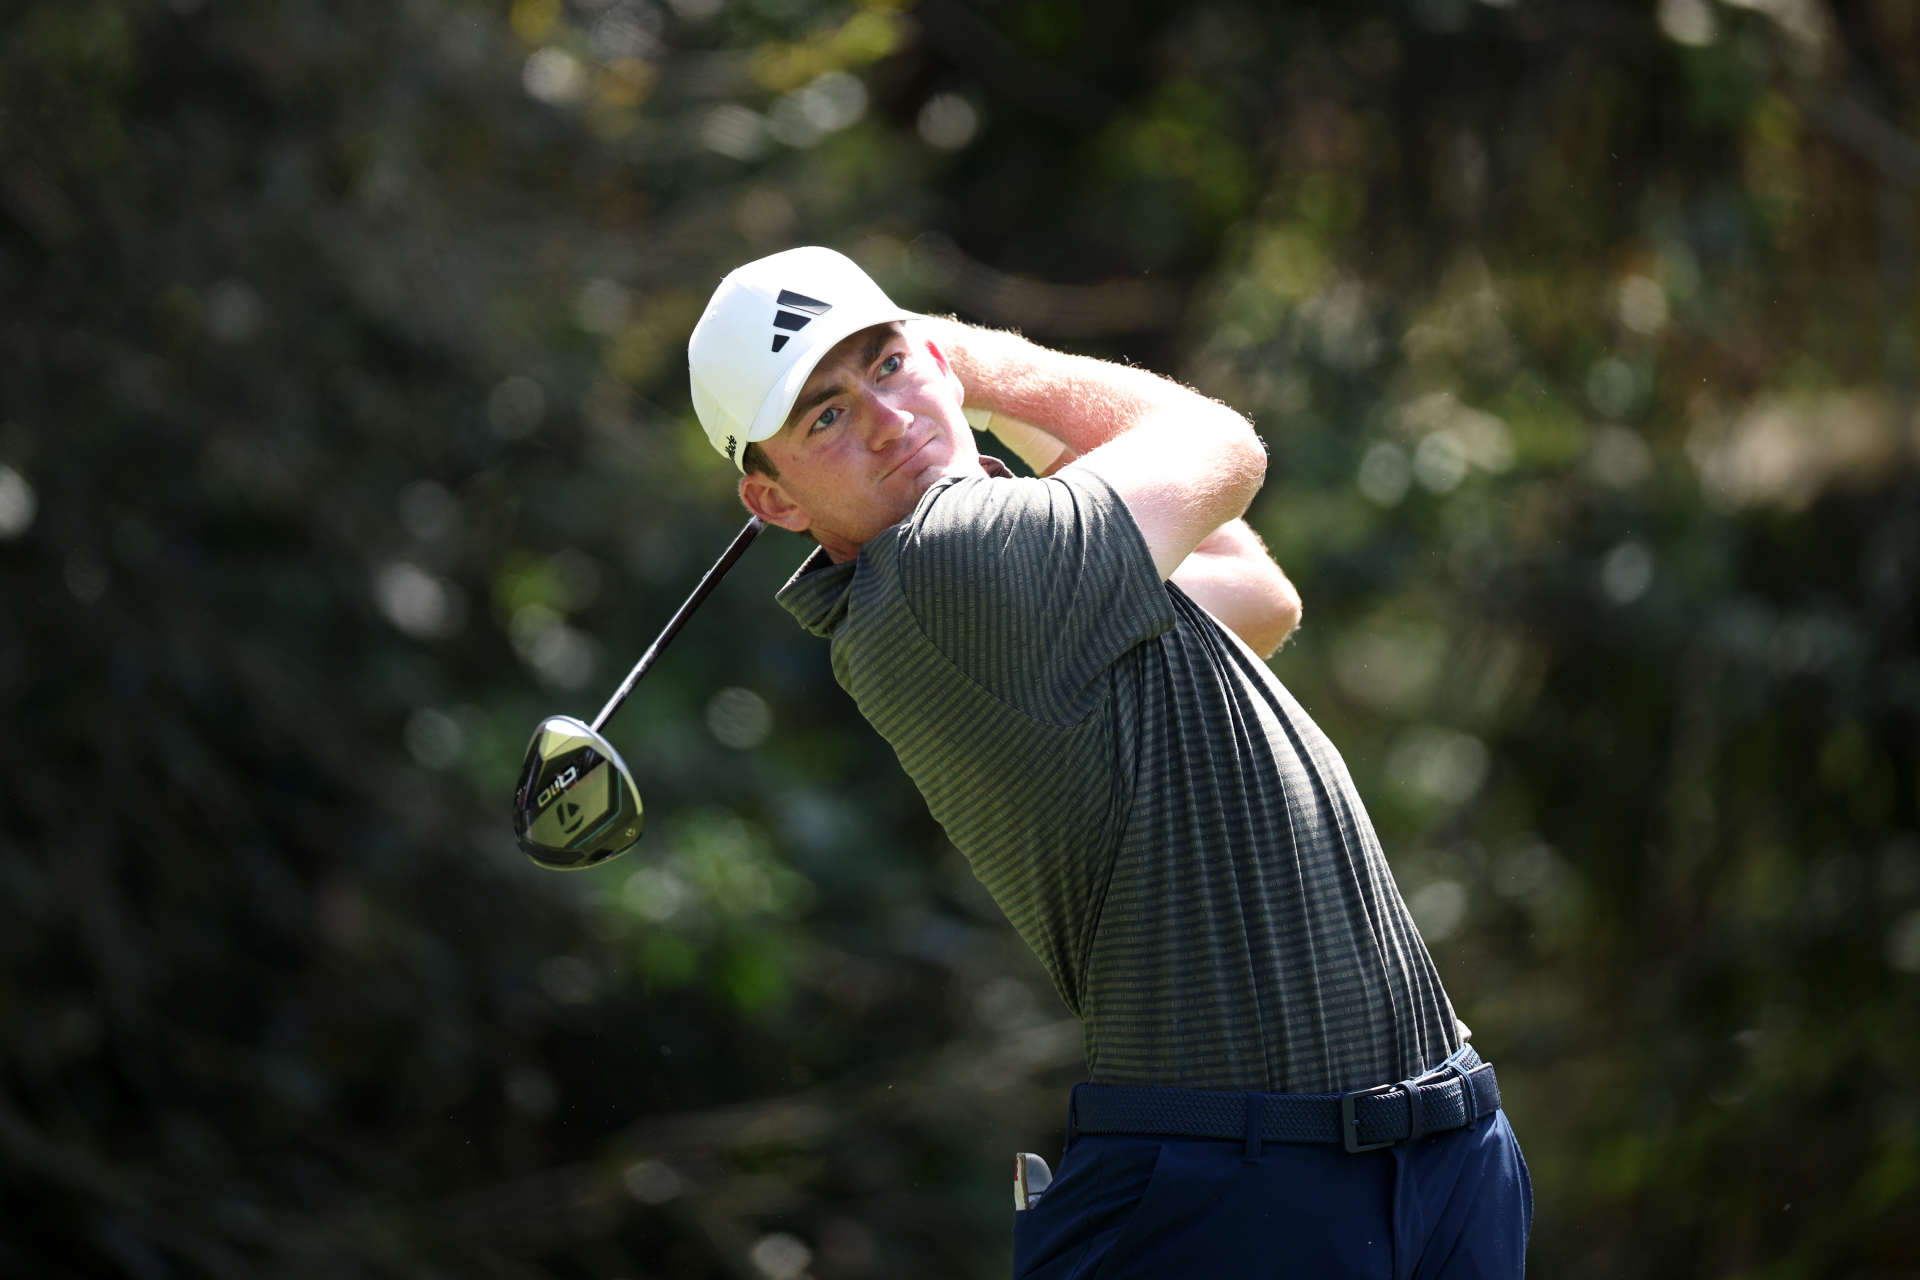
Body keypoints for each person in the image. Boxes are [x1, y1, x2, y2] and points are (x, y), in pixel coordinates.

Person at [686, 245, 1531, 1278]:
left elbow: (1254, 593)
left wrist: (964, 391)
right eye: (824, 415)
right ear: (773, 503)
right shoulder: (950, 565)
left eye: (889, 364)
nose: (887, 417)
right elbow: (1221, 443)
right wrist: (989, 369)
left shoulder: (1023, 579)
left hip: (1429, 1150)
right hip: (1240, 1188)